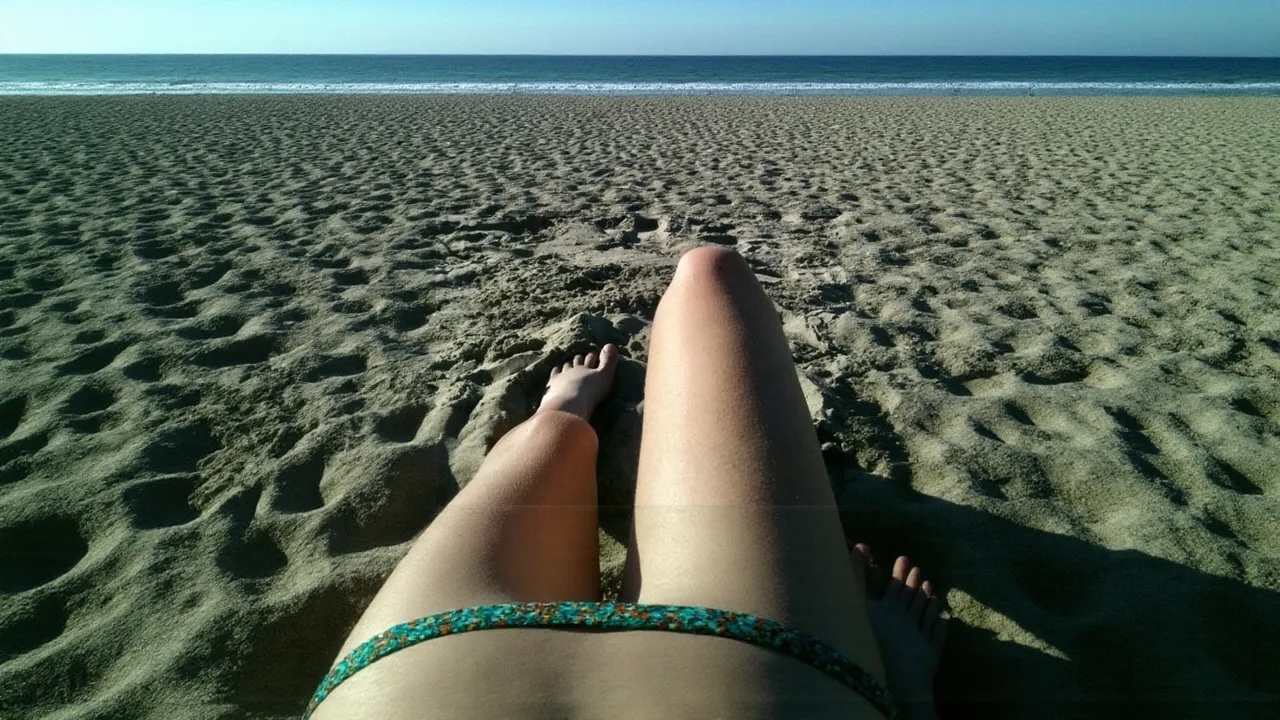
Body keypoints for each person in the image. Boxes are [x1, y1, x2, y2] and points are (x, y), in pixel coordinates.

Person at [305, 246, 947, 720]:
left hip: (423, 678)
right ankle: (564, 416)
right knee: (709, 274)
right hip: (765, 666)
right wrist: (908, 685)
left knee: (551, 441)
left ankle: (563, 411)